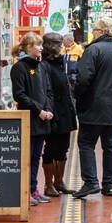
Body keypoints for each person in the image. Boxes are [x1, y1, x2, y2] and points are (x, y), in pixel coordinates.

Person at [73, 16, 112, 199]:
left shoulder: (93, 50)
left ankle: (91, 182)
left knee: (85, 143)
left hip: (92, 106)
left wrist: (78, 98)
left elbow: (83, 79)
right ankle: (109, 185)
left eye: (95, 30)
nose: (93, 33)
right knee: (110, 145)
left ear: (102, 32)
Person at [10, 32, 54, 207]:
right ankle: (25, 190)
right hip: (29, 119)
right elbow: (19, 95)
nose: (41, 47)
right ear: (28, 47)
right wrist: (39, 111)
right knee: (26, 157)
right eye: (37, 44)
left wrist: (48, 110)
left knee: (36, 156)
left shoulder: (42, 66)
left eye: (41, 44)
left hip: (42, 119)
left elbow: (48, 91)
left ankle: (34, 189)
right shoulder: (19, 68)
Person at [41, 32, 77, 195]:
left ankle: (59, 182)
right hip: (53, 111)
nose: (61, 47)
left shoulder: (60, 62)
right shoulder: (45, 65)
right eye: (58, 44)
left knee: (63, 147)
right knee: (51, 148)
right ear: (50, 46)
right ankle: (49, 185)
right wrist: (51, 111)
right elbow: (47, 91)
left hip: (65, 110)